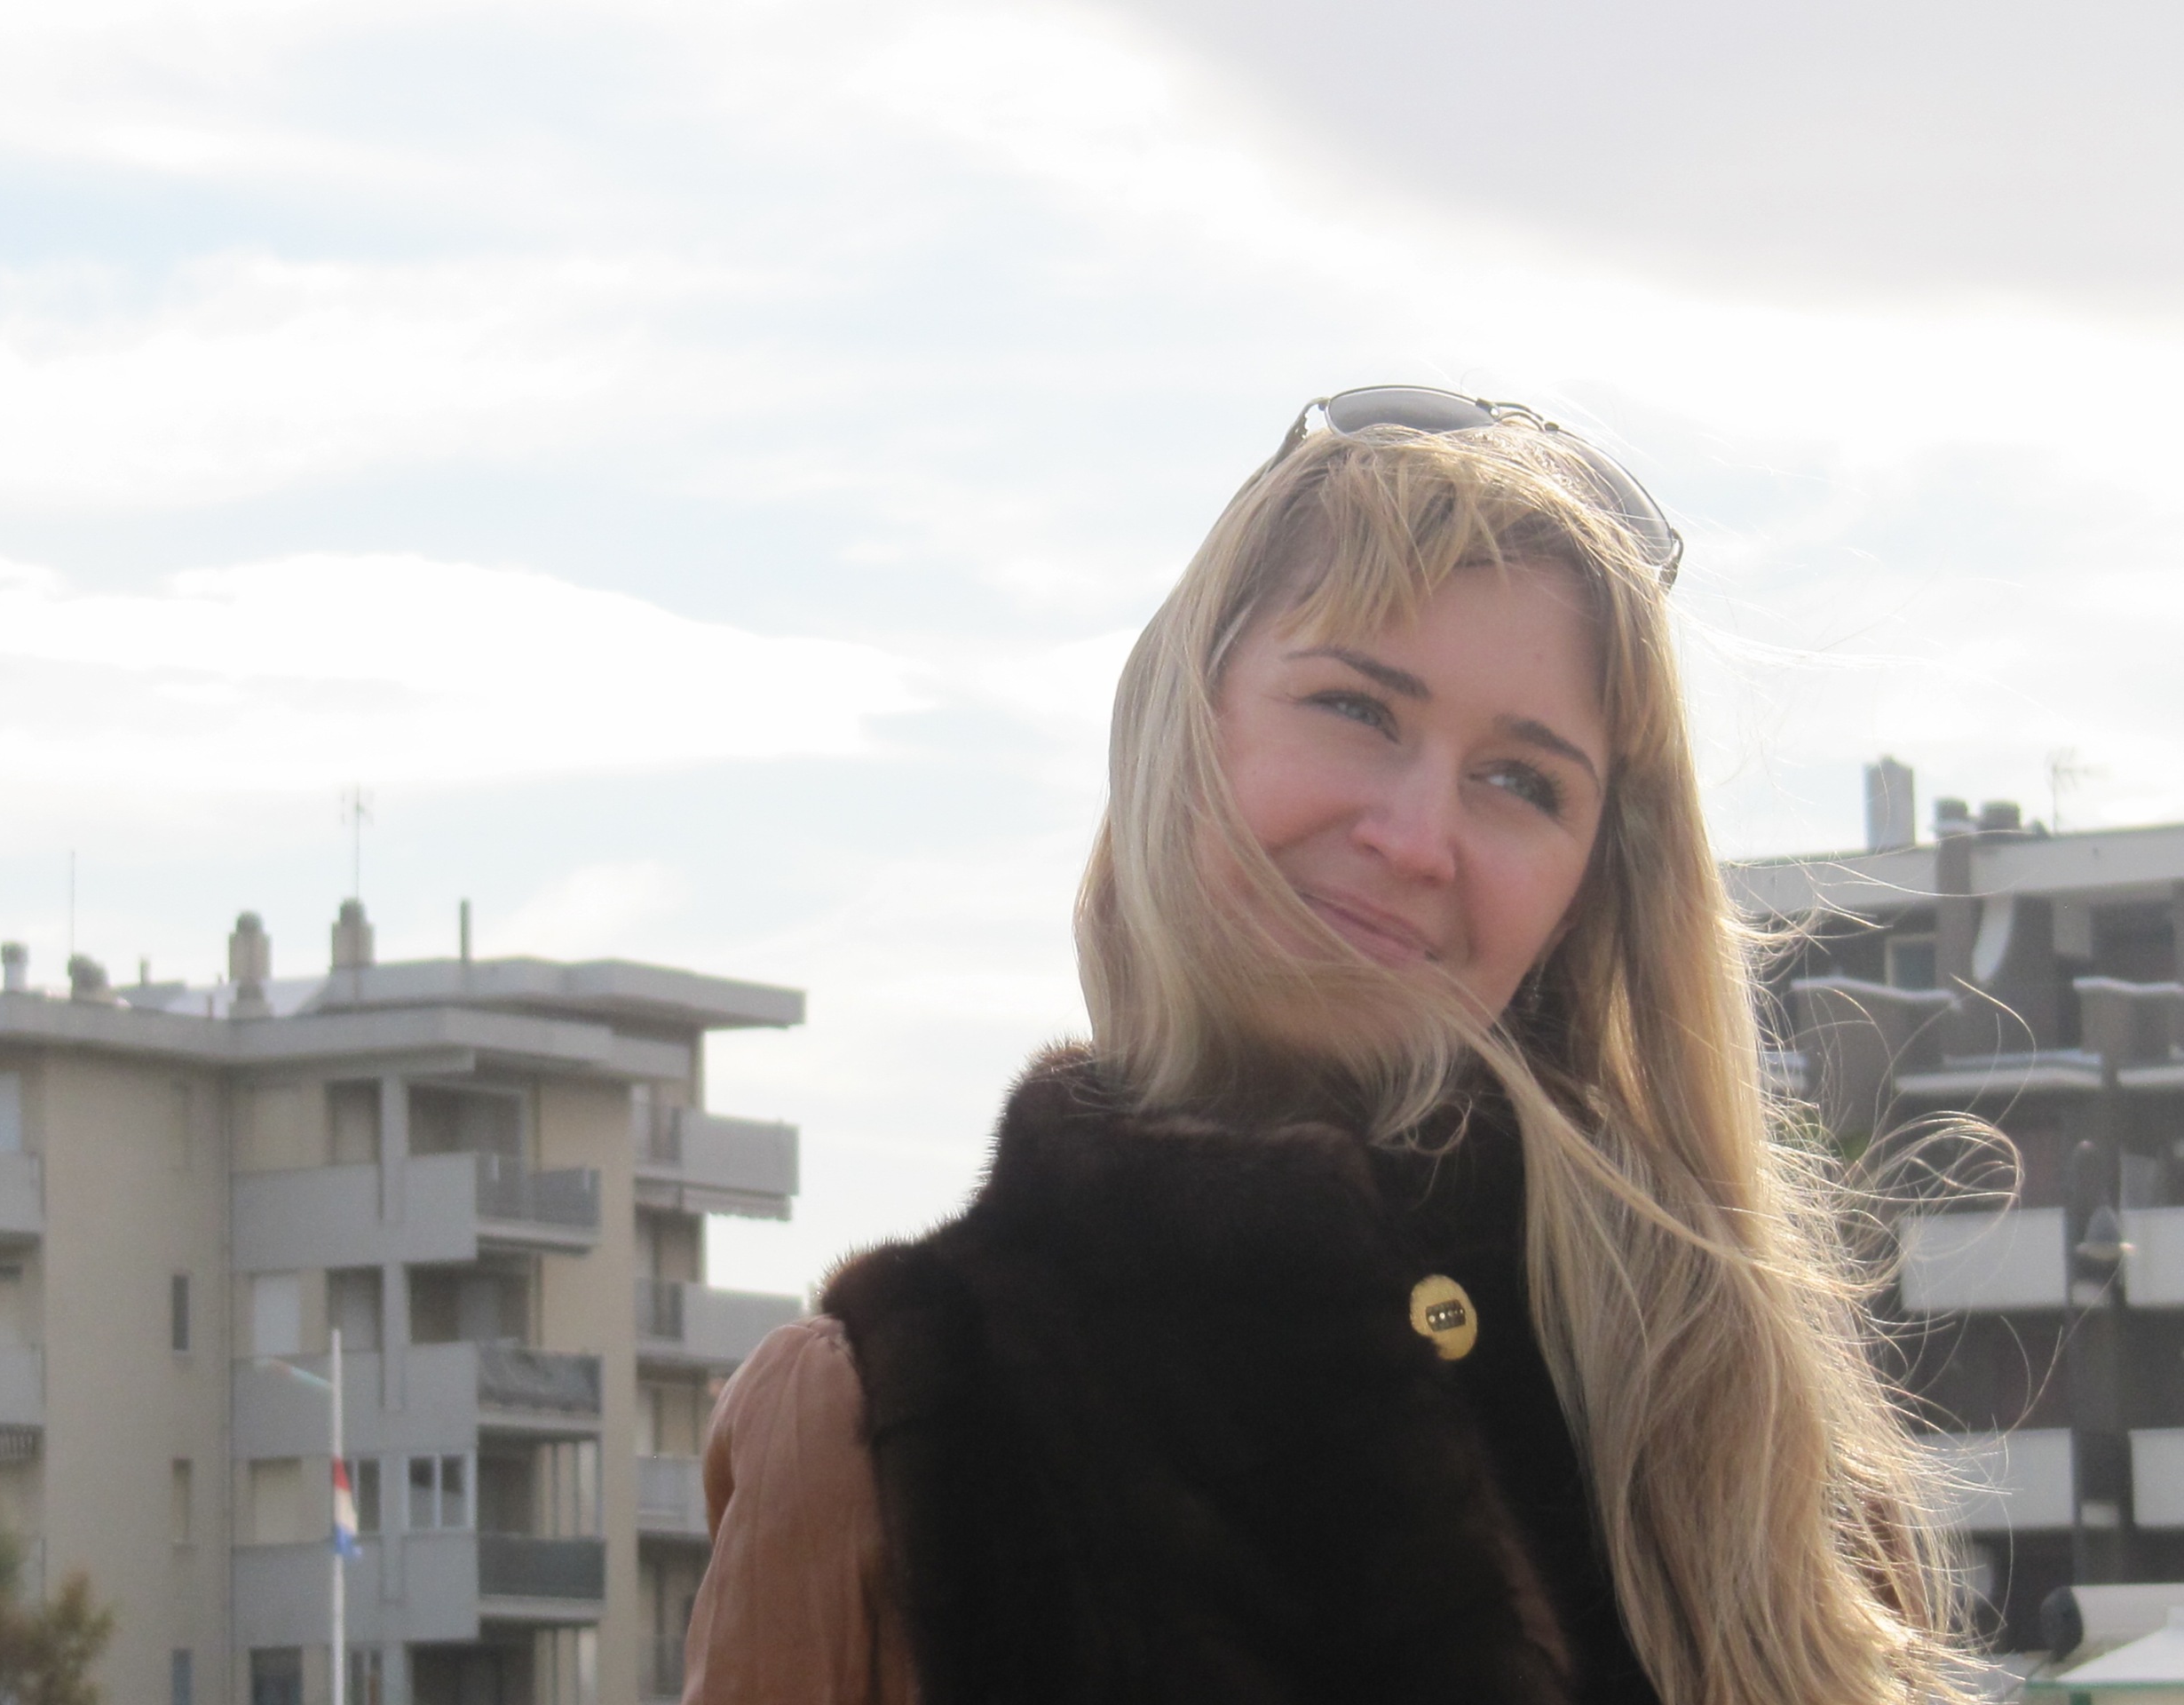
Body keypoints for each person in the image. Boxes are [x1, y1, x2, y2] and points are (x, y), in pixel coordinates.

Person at [684, 388, 1970, 1705]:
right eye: (1358, 708)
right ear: (1190, 716)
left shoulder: (1744, 1439)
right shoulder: (886, 1416)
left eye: (1522, 781)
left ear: (1589, 888)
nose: (1416, 839)